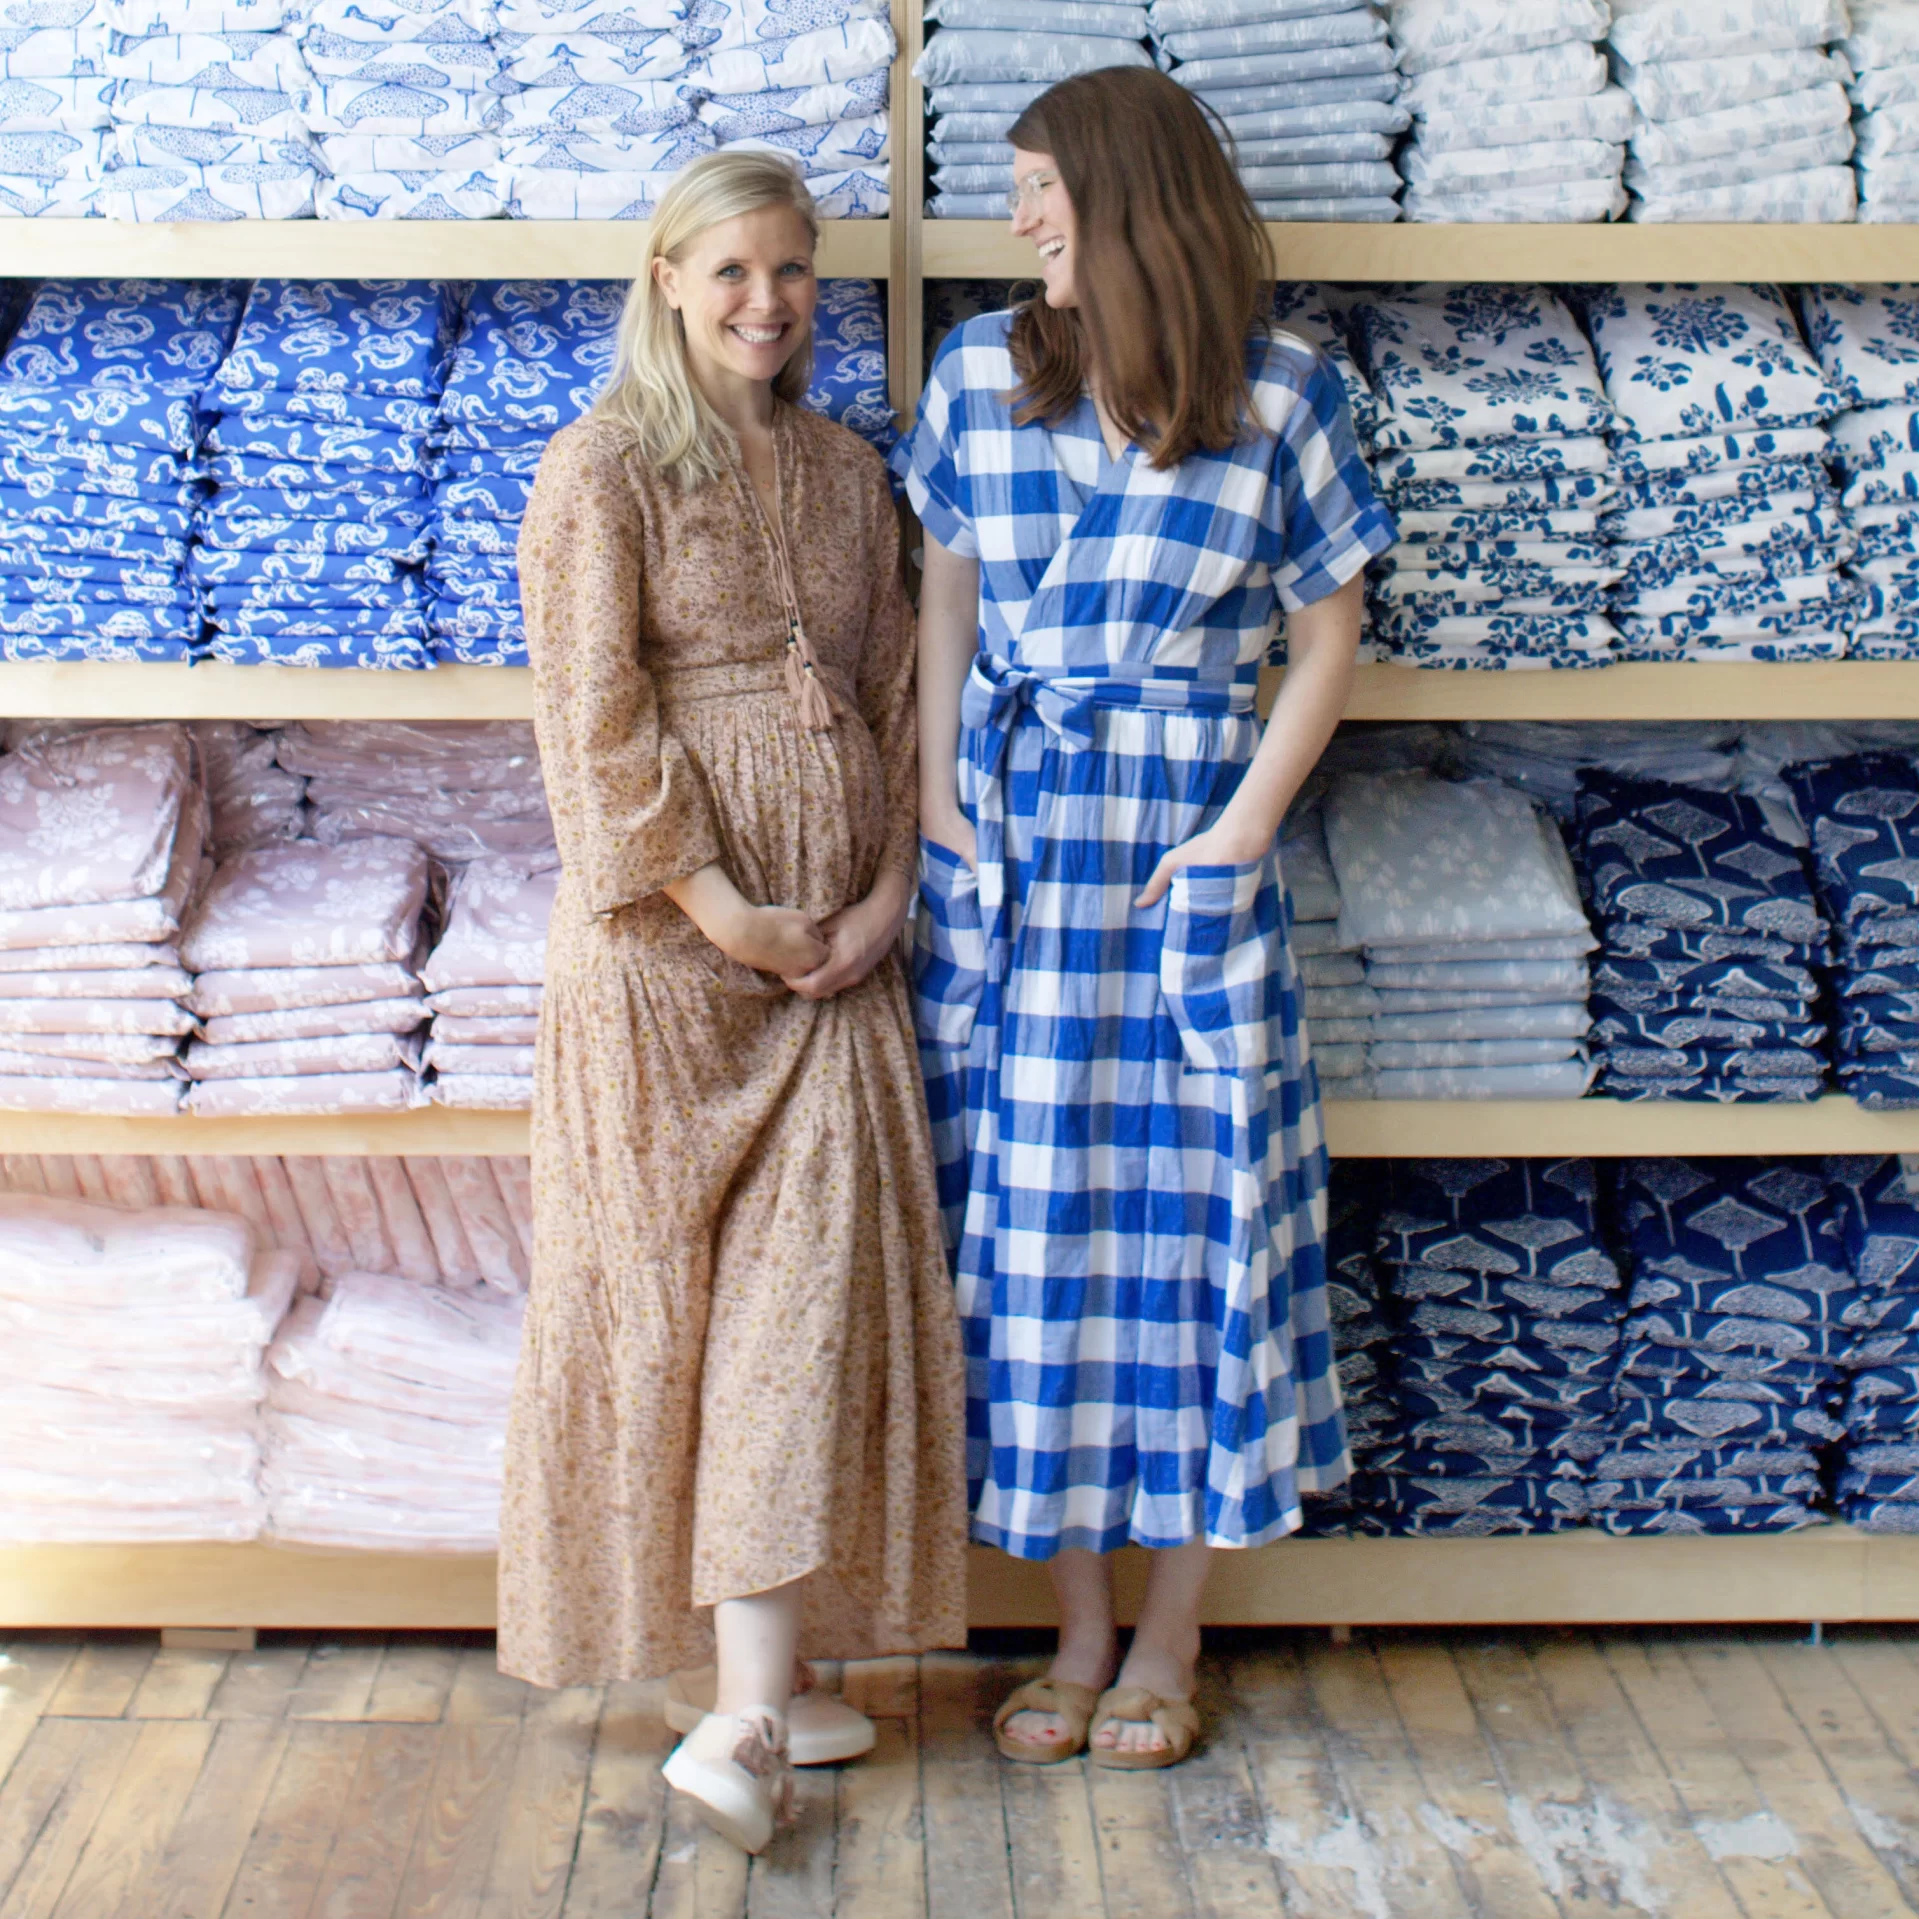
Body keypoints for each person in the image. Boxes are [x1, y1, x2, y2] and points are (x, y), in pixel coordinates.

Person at [897, 66, 1393, 1771]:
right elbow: (944, 604)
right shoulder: (978, 374)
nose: (1018, 215)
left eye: (1038, 183)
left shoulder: (1283, 391)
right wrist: (937, 796)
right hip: (1020, 842)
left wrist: (1245, 828)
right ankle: (1079, 1624)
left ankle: (1174, 1632)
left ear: (1121, 195)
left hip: (1185, 839)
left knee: (1198, 1243)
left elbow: (1328, 637)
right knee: (1030, 1252)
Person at [498, 150, 968, 1854]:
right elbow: (587, 711)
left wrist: (884, 895)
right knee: (668, 1319)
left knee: (799, 1316)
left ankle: (756, 1710)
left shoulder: (852, 473)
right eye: (732, 274)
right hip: (662, 966)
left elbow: (899, 684)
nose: (768, 304)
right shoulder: (601, 467)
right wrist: (717, 905)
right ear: (666, 281)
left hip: (833, 955)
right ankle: (735, 1678)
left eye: (793, 274)